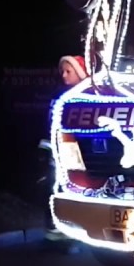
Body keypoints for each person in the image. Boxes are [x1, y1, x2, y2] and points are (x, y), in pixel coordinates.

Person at [45, 55, 89, 254]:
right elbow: (52, 126)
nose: (63, 75)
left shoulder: (89, 97)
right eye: (62, 71)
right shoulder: (60, 97)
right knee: (58, 188)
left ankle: (75, 232)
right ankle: (58, 232)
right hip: (62, 153)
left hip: (82, 156)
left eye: (68, 71)